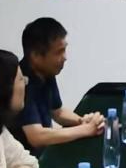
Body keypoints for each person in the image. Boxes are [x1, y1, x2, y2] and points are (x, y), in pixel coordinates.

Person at [12, 17, 104, 155]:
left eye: (64, 50)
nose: (65, 57)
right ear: (36, 56)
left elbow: (58, 112)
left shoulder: (46, 72)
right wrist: (86, 129)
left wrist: (82, 121)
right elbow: (36, 137)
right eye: (59, 52)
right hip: (25, 159)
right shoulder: (21, 82)